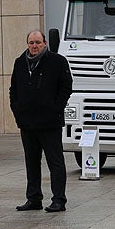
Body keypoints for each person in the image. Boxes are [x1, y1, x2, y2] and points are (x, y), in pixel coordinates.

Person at [9, 30, 74, 212]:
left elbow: (66, 87)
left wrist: (55, 108)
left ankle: (59, 200)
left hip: (50, 123)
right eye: (31, 42)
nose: (34, 46)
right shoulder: (20, 63)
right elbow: (13, 89)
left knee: (55, 162)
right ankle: (34, 198)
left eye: (38, 42)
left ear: (44, 43)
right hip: (27, 123)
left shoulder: (58, 62)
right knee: (31, 162)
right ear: (27, 44)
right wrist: (17, 110)